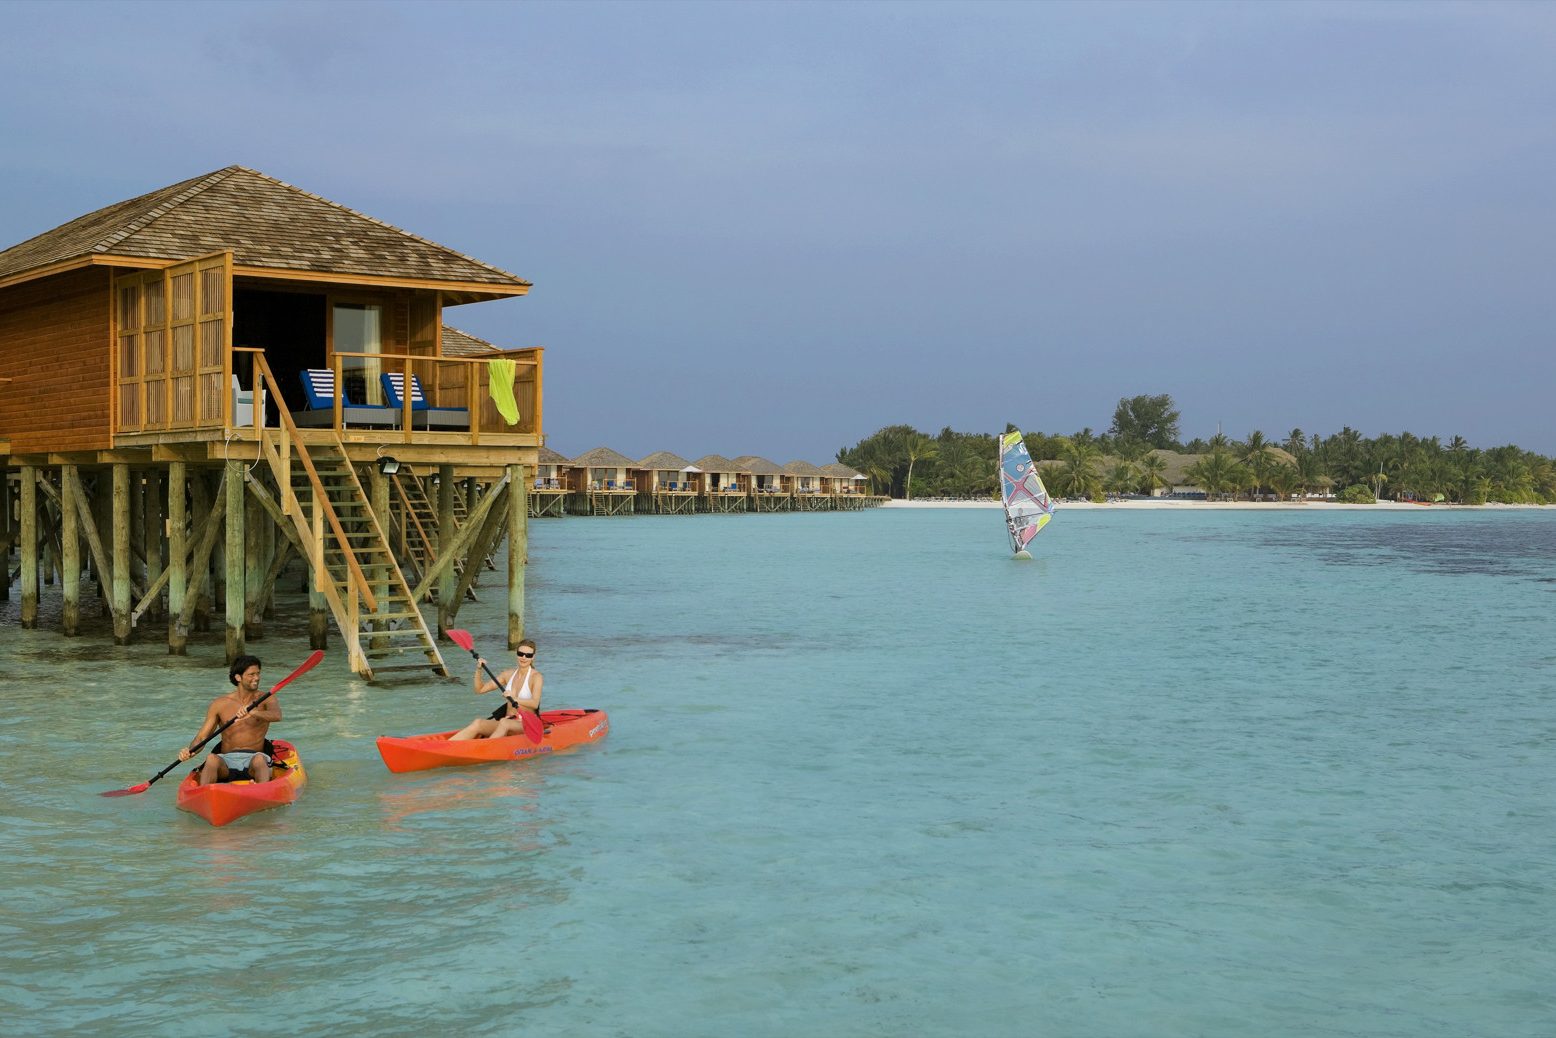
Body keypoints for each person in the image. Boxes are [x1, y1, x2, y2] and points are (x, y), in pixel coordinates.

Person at [177, 655, 283, 786]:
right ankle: (205, 796)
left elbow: (276, 715)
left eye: (258, 673)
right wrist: (190, 751)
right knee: (211, 759)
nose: (257, 678)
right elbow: (202, 737)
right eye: (251, 674)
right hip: (226, 760)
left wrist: (253, 712)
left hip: (254, 758)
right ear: (238, 677)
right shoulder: (220, 704)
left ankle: (262, 791)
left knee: (260, 760)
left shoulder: (266, 698)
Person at [449, 638, 544, 741]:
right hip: (507, 720)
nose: (524, 657)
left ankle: (484, 749)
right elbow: (480, 690)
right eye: (521, 653)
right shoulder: (508, 674)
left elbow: (534, 703)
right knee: (478, 723)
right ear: (516, 654)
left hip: (525, 724)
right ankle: (446, 747)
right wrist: (479, 670)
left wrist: (514, 698)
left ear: (533, 657)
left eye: (528, 655)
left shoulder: (536, 677)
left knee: (504, 722)